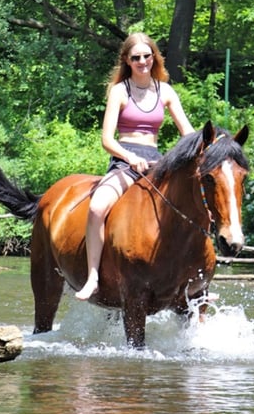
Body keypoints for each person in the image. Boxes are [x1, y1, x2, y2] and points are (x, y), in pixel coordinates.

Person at [75, 33, 195, 299]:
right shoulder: (120, 91)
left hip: (157, 161)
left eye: (147, 56)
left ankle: (195, 279)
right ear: (127, 61)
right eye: (136, 57)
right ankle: (93, 275)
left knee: (197, 204)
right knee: (96, 207)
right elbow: (107, 140)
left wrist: (207, 147)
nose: (143, 61)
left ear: (154, 57)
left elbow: (187, 132)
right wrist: (129, 157)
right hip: (125, 161)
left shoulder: (166, 91)